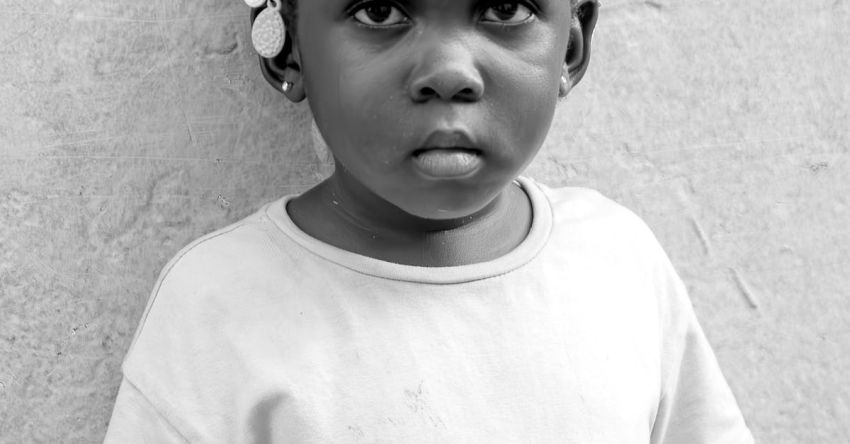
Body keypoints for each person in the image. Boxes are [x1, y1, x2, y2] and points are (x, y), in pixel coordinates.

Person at [104, 0, 754, 442]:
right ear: (287, 49)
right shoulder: (218, 309)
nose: (448, 71)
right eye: (381, 11)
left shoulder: (619, 266)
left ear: (574, 43)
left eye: (504, 9)